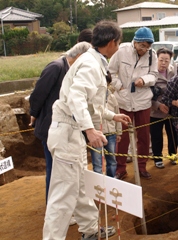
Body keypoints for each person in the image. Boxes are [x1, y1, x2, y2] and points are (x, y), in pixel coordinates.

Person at [43, 20, 131, 240]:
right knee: (63, 196)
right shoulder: (91, 64)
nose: (118, 47)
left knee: (82, 186)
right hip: (68, 133)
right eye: (118, 43)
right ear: (112, 43)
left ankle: (90, 230)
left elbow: (90, 103)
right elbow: (76, 98)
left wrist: (111, 115)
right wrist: (90, 130)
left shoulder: (93, 61)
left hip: (72, 134)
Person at [29, 42, 91, 205]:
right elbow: (38, 93)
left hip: (64, 127)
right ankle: (53, 204)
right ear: (79, 57)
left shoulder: (70, 70)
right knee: (54, 168)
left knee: (63, 169)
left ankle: (64, 203)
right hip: (50, 126)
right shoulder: (56, 67)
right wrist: (33, 114)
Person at [109, 27, 158, 180]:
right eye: (142, 45)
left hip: (143, 100)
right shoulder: (121, 51)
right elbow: (109, 72)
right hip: (124, 100)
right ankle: (120, 168)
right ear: (135, 43)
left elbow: (154, 74)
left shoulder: (152, 55)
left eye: (148, 46)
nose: (145, 49)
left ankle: (142, 166)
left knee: (143, 135)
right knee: (122, 136)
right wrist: (119, 86)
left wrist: (144, 80)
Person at [150, 47, 178, 169]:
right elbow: (146, 94)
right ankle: (157, 158)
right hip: (155, 112)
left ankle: (173, 155)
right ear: (156, 59)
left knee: (173, 134)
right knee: (156, 136)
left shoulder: (173, 72)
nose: (163, 63)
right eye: (161, 59)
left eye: (167, 60)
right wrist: (158, 105)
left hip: (171, 110)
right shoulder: (151, 74)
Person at [90, 72, 121, 177]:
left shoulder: (112, 97)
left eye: (106, 83)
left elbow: (117, 113)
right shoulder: (92, 98)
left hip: (111, 133)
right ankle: (98, 184)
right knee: (97, 161)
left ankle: (112, 180)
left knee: (112, 160)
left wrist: (119, 132)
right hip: (97, 134)